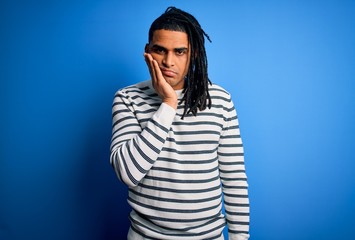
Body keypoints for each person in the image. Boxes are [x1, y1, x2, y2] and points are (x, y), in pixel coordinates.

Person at [110, 6, 250, 240]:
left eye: (179, 52)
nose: (168, 61)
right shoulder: (127, 98)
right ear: (147, 52)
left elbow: (234, 178)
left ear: (193, 53)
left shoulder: (220, 100)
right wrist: (168, 103)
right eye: (160, 50)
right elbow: (128, 173)